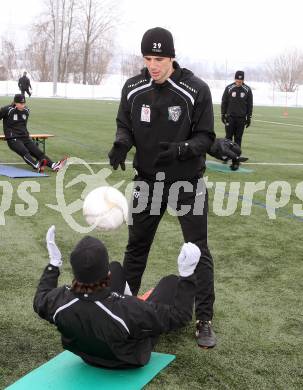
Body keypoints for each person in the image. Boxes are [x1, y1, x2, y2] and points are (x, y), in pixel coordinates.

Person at [108, 27, 242, 348]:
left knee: (198, 251)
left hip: (187, 183)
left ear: (171, 57)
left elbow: (206, 137)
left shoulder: (194, 89)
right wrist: (121, 145)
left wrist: (180, 150)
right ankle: (120, 312)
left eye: (159, 58)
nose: (152, 65)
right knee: (136, 249)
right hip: (147, 182)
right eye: (147, 58)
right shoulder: (133, 88)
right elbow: (125, 125)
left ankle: (204, 319)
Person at [33, 225, 201, 368]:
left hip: (86, 356)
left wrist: (53, 264)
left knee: (116, 268)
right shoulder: (128, 309)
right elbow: (180, 316)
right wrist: (187, 275)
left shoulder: (59, 300)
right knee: (170, 282)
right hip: (128, 360)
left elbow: (39, 299)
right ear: (106, 274)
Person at [0, 94, 67, 172]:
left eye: (24, 103)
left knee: (39, 153)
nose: (22, 105)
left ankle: (54, 165)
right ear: (15, 102)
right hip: (13, 138)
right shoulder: (7, 110)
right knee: (24, 151)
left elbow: (22, 125)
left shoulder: (26, 110)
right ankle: (37, 165)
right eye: (20, 104)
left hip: (25, 137)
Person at [221, 70, 253, 170]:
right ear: (234, 79)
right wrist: (223, 114)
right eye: (237, 80)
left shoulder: (247, 89)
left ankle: (236, 158)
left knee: (238, 138)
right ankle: (226, 156)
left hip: (241, 118)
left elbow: (250, 105)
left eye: (241, 80)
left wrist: (249, 117)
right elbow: (224, 101)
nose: (239, 82)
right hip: (230, 117)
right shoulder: (229, 88)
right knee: (228, 138)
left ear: (243, 80)